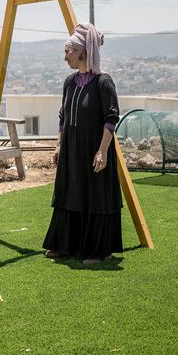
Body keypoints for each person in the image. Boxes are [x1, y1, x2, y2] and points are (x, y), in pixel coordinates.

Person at [43, 23, 123, 264]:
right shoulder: (69, 82)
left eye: (67, 50)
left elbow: (111, 118)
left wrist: (102, 151)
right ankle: (65, 246)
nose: (64, 56)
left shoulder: (103, 83)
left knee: (96, 197)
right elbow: (63, 117)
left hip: (94, 150)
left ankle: (99, 251)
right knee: (69, 194)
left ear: (81, 52)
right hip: (71, 150)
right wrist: (59, 145)